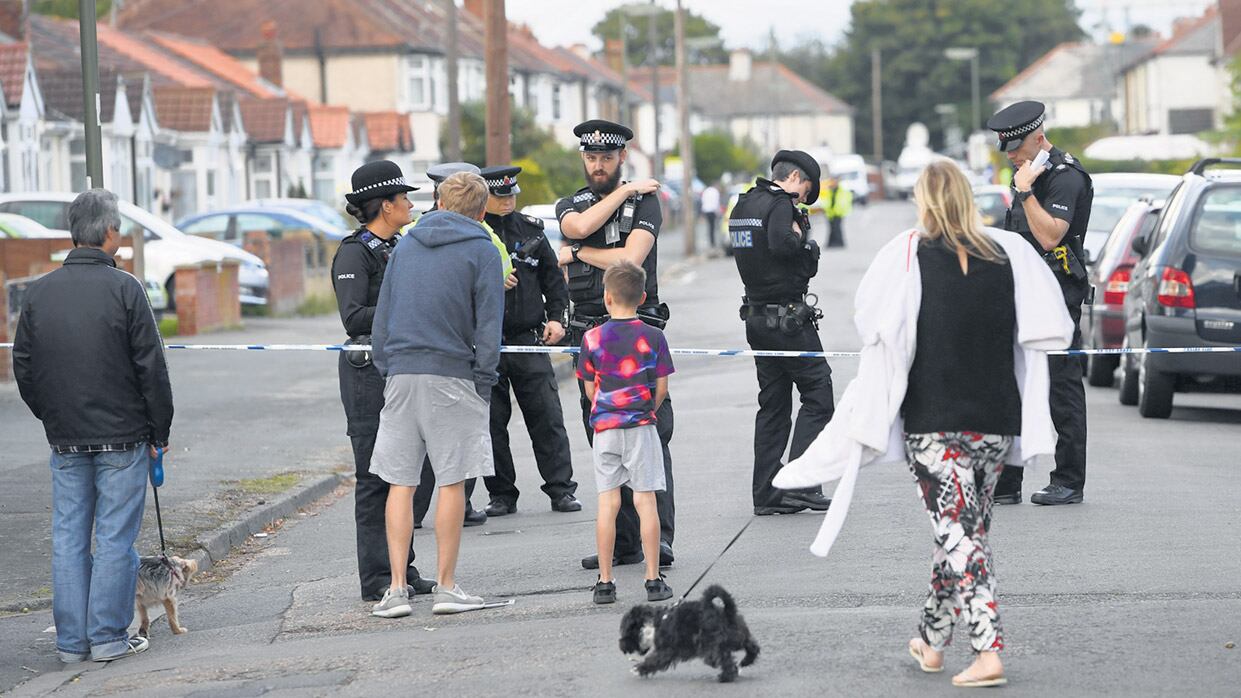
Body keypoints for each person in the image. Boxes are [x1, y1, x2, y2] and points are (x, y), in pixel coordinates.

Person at [772, 160, 1074, 689]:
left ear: (924, 201)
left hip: (934, 423)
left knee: (959, 533)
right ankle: (932, 643)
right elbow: (1051, 321)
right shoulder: (1007, 253)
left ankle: (988, 650)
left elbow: (870, 318)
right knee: (960, 532)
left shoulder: (909, 253)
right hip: (996, 419)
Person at [13, 189, 174, 663]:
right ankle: (106, 637)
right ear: (108, 233)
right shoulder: (126, 289)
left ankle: (70, 644)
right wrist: (158, 431)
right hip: (123, 436)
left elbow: (24, 366)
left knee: (67, 538)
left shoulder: (39, 293)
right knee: (113, 538)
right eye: (119, 226)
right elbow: (151, 366)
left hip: (65, 438)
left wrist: (51, 414)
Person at [367, 171, 504, 618]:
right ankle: (446, 586)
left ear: (440, 204)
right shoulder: (482, 249)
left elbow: (382, 317)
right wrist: (484, 379)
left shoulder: (405, 244)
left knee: (400, 483)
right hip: (453, 375)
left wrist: (389, 367)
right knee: (451, 481)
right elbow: (488, 324)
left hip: (402, 373)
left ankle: (397, 589)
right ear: (482, 211)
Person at [555, 119, 675, 571]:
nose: (598, 164)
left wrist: (578, 252)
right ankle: (623, 544)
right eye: (591, 157)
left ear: (622, 157)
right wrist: (621, 194)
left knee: (651, 438)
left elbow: (630, 258)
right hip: (590, 335)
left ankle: (656, 541)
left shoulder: (648, 202)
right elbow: (580, 223)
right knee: (602, 438)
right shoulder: (574, 203)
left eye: (607, 157)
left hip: (638, 332)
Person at [331, 160, 437, 601]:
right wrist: (408, 309)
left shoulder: (400, 245)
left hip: (404, 366)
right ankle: (376, 577)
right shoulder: (355, 252)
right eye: (404, 197)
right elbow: (353, 316)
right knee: (376, 477)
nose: (411, 204)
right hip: (368, 373)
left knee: (417, 472)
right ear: (385, 204)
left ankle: (401, 566)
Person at [987, 100, 1093, 506]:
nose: (1011, 156)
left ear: (1037, 137)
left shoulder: (1064, 176)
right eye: (1007, 149)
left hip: (1056, 293)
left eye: (1016, 147)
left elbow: (1050, 236)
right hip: (1019, 289)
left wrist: (1027, 191)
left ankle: (1068, 480)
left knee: (1061, 388)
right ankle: (1007, 481)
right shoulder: (1025, 172)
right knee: (1010, 383)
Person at [729, 150, 834, 516]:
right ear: (797, 180)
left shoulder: (743, 205)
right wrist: (807, 243)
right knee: (819, 393)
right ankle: (802, 483)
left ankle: (767, 492)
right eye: (805, 193)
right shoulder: (780, 205)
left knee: (773, 406)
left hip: (756, 320)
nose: (802, 201)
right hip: (787, 320)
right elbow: (781, 244)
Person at [477, 165, 581, 517]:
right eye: (499, 196)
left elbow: (554, 282)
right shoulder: (474, 233)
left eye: (511, 195)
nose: (506, 201)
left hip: (528, 337)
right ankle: (501, 494)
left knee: (547, 416)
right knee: (492, 422)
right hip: (486, 341)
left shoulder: (531, 231)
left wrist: (556, 318)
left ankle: (561, 489)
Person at [578, 261, 675, 605]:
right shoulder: (654, 336)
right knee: (645, 498)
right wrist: (648, 406)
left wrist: (606, 408)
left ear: (606, 298)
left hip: (605, 428)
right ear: (643, 296)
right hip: (640, 425)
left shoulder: (591, 339)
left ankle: (605, 582)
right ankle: (652, 579)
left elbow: (590, 390)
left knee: (608, 501)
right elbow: (660, 387)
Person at [823, 176, 852, 248]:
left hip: (838, 212)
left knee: (837, 228)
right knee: (832, 228)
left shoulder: (841, 190)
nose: (833, 183)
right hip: (830, 212)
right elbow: (826, 200)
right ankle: (831, 243)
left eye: (835, 181)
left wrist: (840, 210)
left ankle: (839, 242)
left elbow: (843, 201)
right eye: (832, 181)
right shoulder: (829, 190)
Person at [700, 181, 722, 249]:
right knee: (713, 227)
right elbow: (716, 202)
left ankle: (711, 242)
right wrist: (718, 211)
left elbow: (703, 201)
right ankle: (713, 242)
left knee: (710, 227)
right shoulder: (715, 192)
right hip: (712, 210)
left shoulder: (706, 191)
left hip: (706, 210)